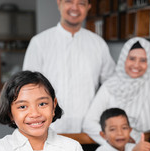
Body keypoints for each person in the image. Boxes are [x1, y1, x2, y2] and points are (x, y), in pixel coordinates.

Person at [22, 0, 115, 134]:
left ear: (88, 7)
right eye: (69, 1)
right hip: (50, 130)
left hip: (88, 132)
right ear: (59, 3)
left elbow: (113, 84)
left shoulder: (98, 44)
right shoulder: (39, 42)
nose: (75, 8)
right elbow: (27, 88)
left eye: (81, 3)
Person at [82, 37, 150, 145]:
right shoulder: (110, 87)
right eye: (132, 58)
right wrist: (115, 141)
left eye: (143, 60)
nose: (136, 64)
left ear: (149, 62)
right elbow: (89, 123)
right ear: (123, 59)